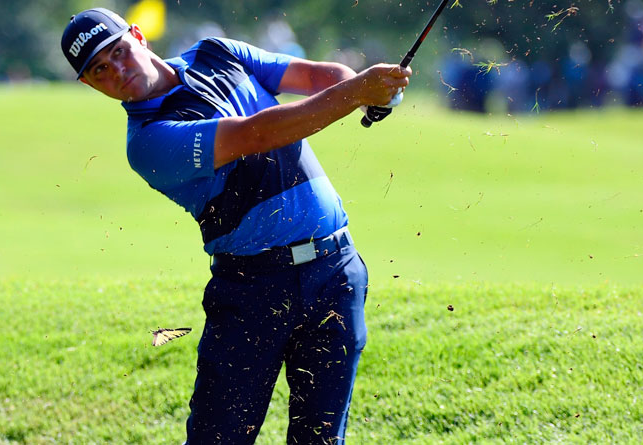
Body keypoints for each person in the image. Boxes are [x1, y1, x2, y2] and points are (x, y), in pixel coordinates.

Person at [60, 8, 410, 444]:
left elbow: (322, 78)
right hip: (252, 291)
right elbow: (256, 135)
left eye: (118, 52)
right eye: (100, 69)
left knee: (321, 439)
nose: (117, 70)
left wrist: (374, 91)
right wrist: (359, 89)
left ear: (138, 36)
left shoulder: (217, 52)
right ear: (90, 84)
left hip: (335, 272)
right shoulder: (148, 142)